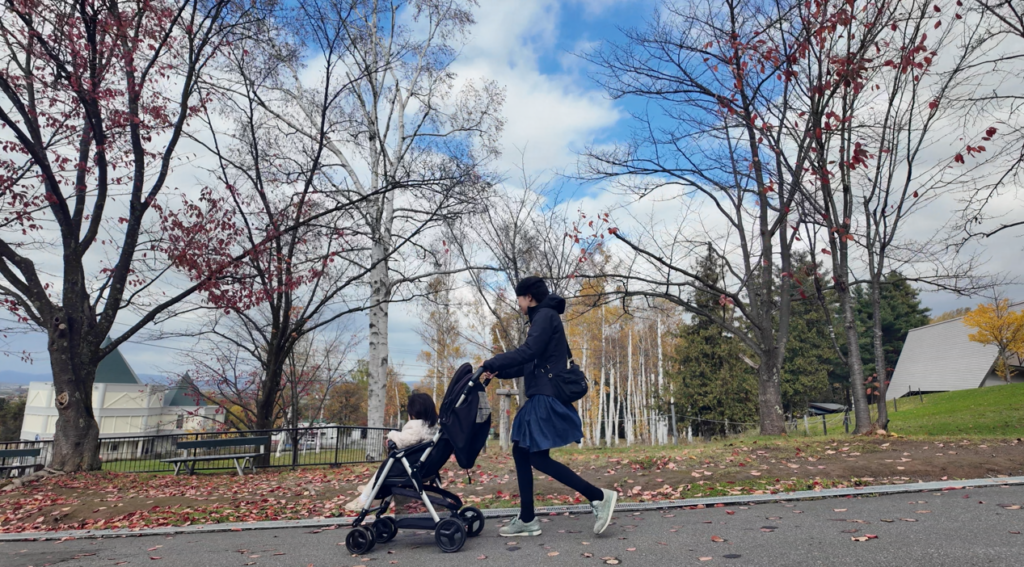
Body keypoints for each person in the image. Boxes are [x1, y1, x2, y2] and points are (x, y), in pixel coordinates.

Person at [481, 276, 617, 538]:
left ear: (529, 297)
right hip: (543, 392)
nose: (519, 304)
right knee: (523, 452)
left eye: (519, 299)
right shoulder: (544, 317)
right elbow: (528, 363)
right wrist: (497, 372)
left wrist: (493, 361)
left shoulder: (544, 316)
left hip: (546, 395)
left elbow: (528, 351)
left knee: (533, 456)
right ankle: (528, 518)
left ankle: (599, 497)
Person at [345, 392, 439, 511]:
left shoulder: (416, 426)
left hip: (410, 469)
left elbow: (403, 441)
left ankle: (364, 499)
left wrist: (391, 435)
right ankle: (370, 488)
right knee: (385, 468)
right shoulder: (434, 427)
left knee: (384, 469)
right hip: (426, 467)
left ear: (413, 412)